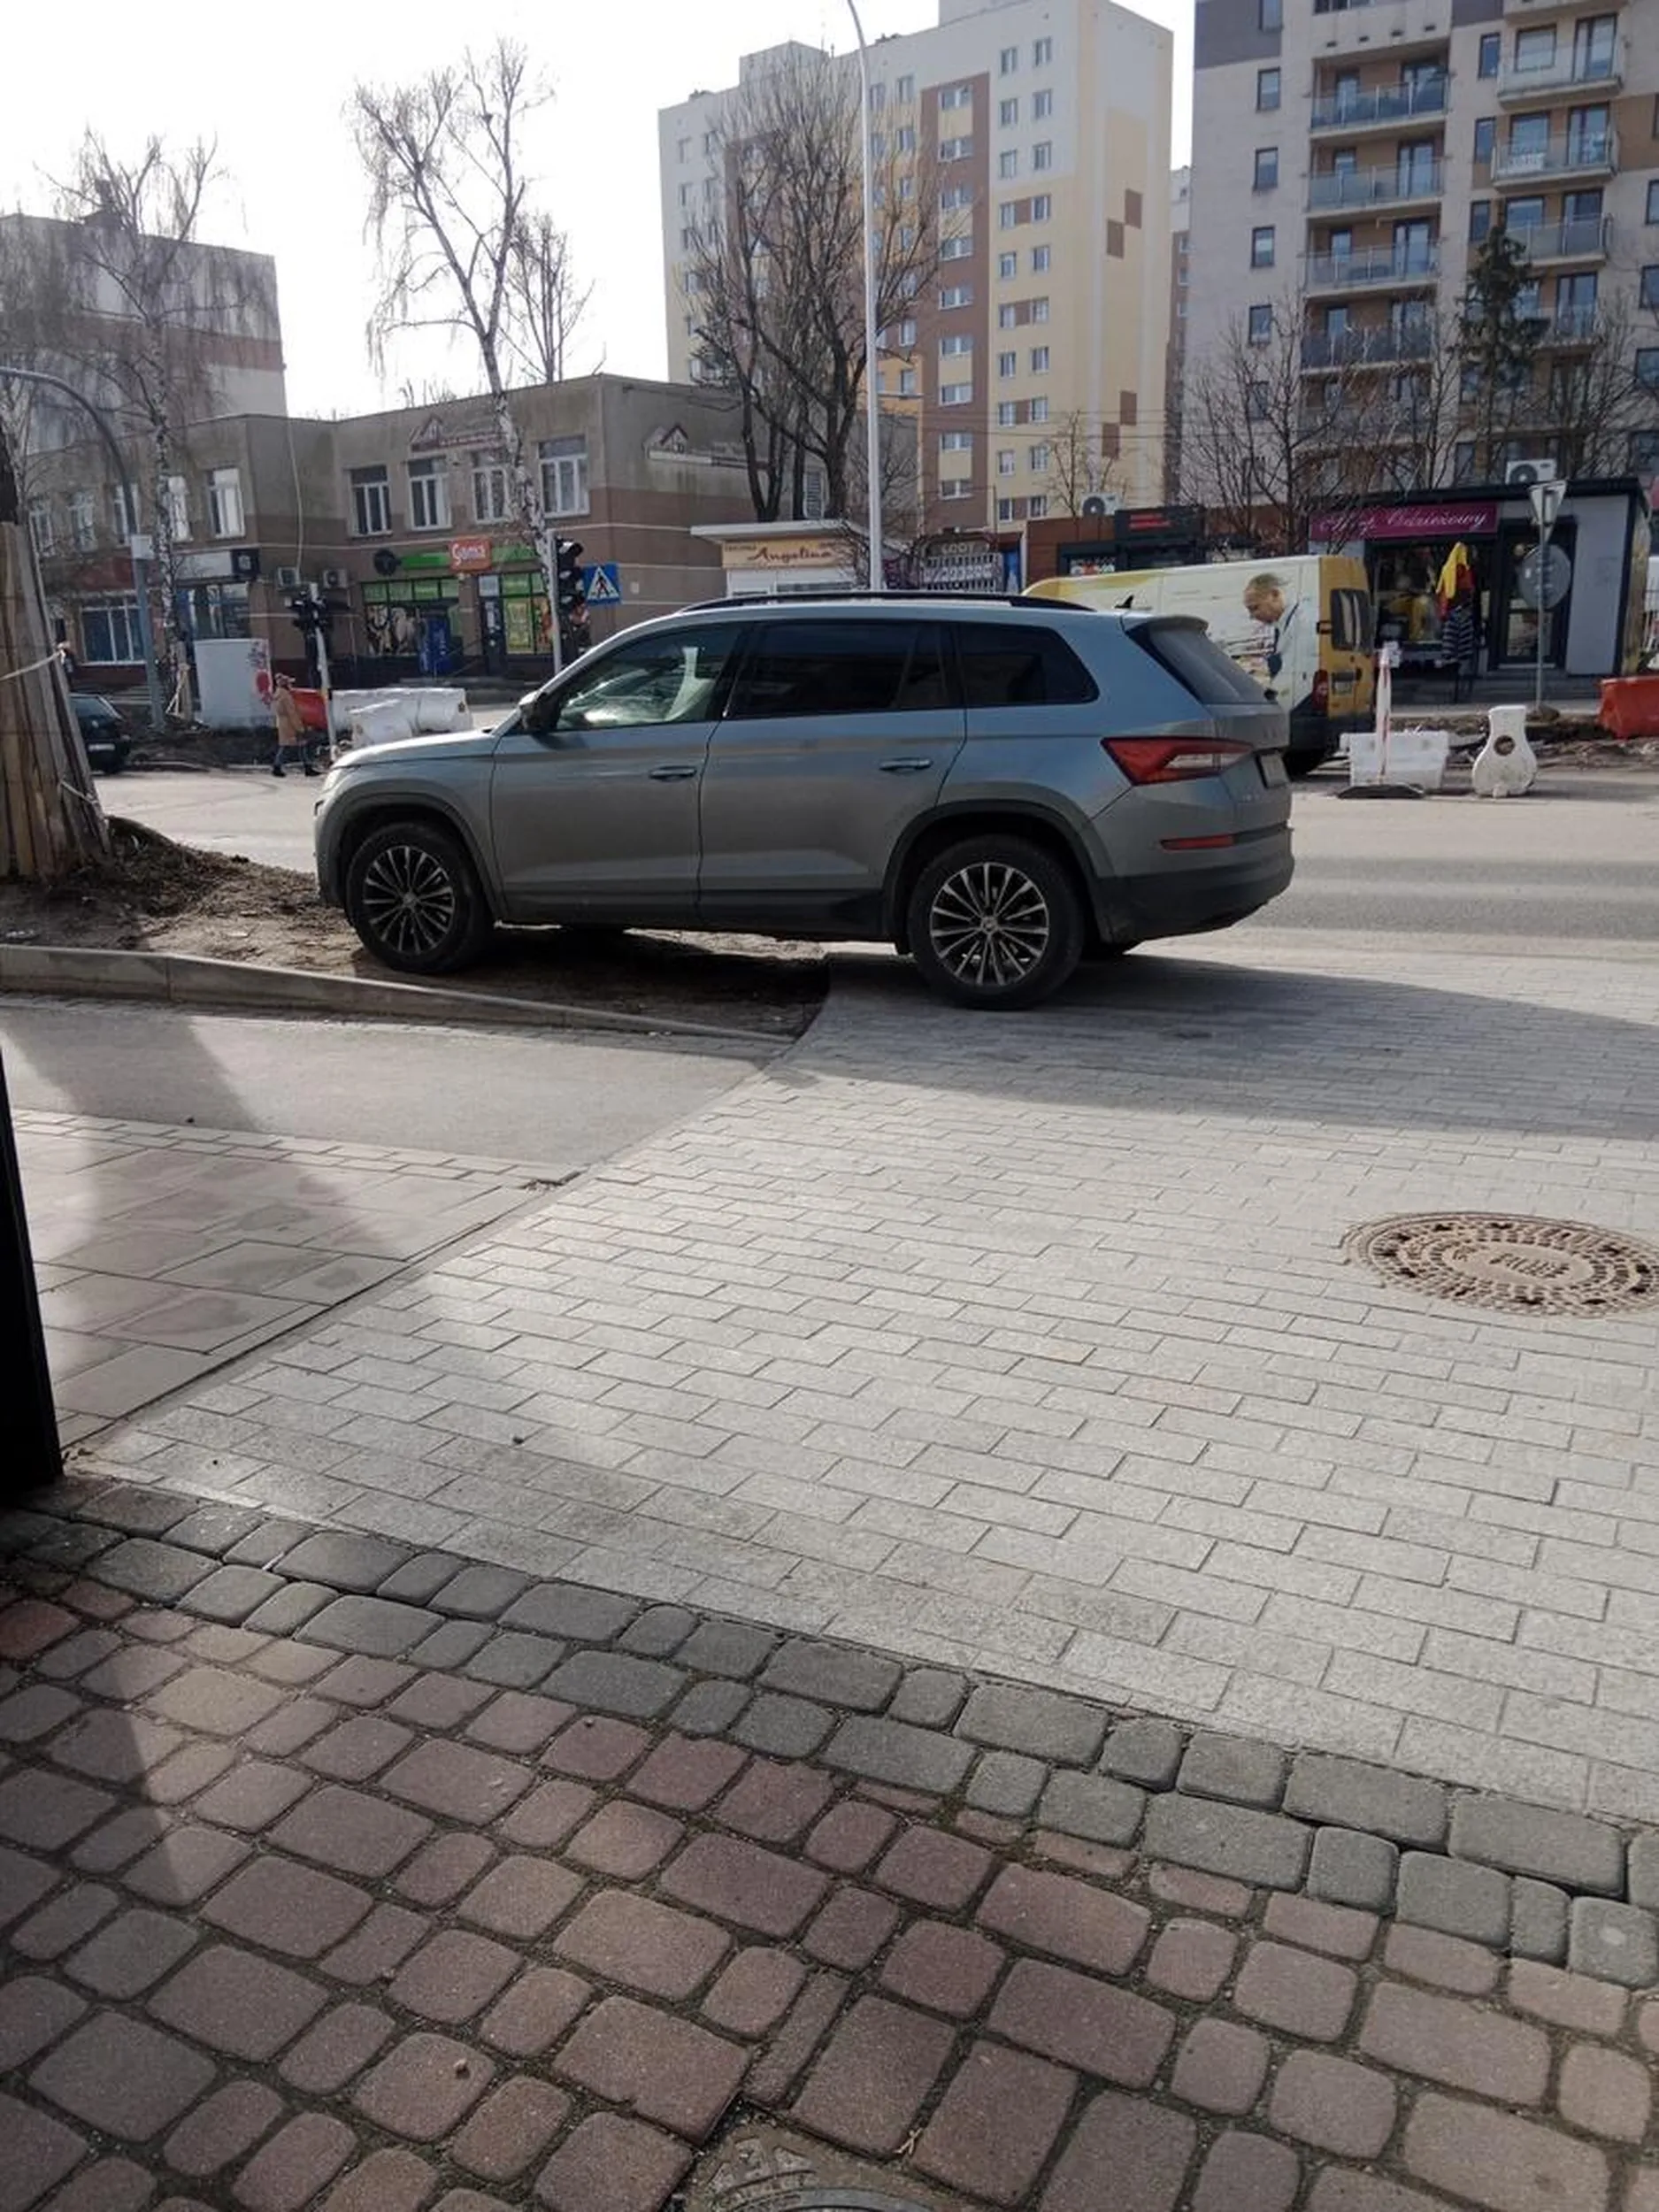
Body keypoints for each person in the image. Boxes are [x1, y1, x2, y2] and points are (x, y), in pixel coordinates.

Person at [270, 673, 315, 779]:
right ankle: (277, 767)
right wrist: (299, 727)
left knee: (294, 746)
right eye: (289, 683)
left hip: (284, 724)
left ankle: (307, 767)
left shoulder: (279, 694)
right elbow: (292, 713)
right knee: (289, 747)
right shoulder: (286, 696)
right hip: (290, 725)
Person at [1440, 588, 1478, 703]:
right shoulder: (1460, 616)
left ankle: (1458, 697)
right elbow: (1452, 636)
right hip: (1460, 652)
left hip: (1459, 651)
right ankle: (1457, 698)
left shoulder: (1458, 616)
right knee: (1460, 677)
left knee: (1461, 678)